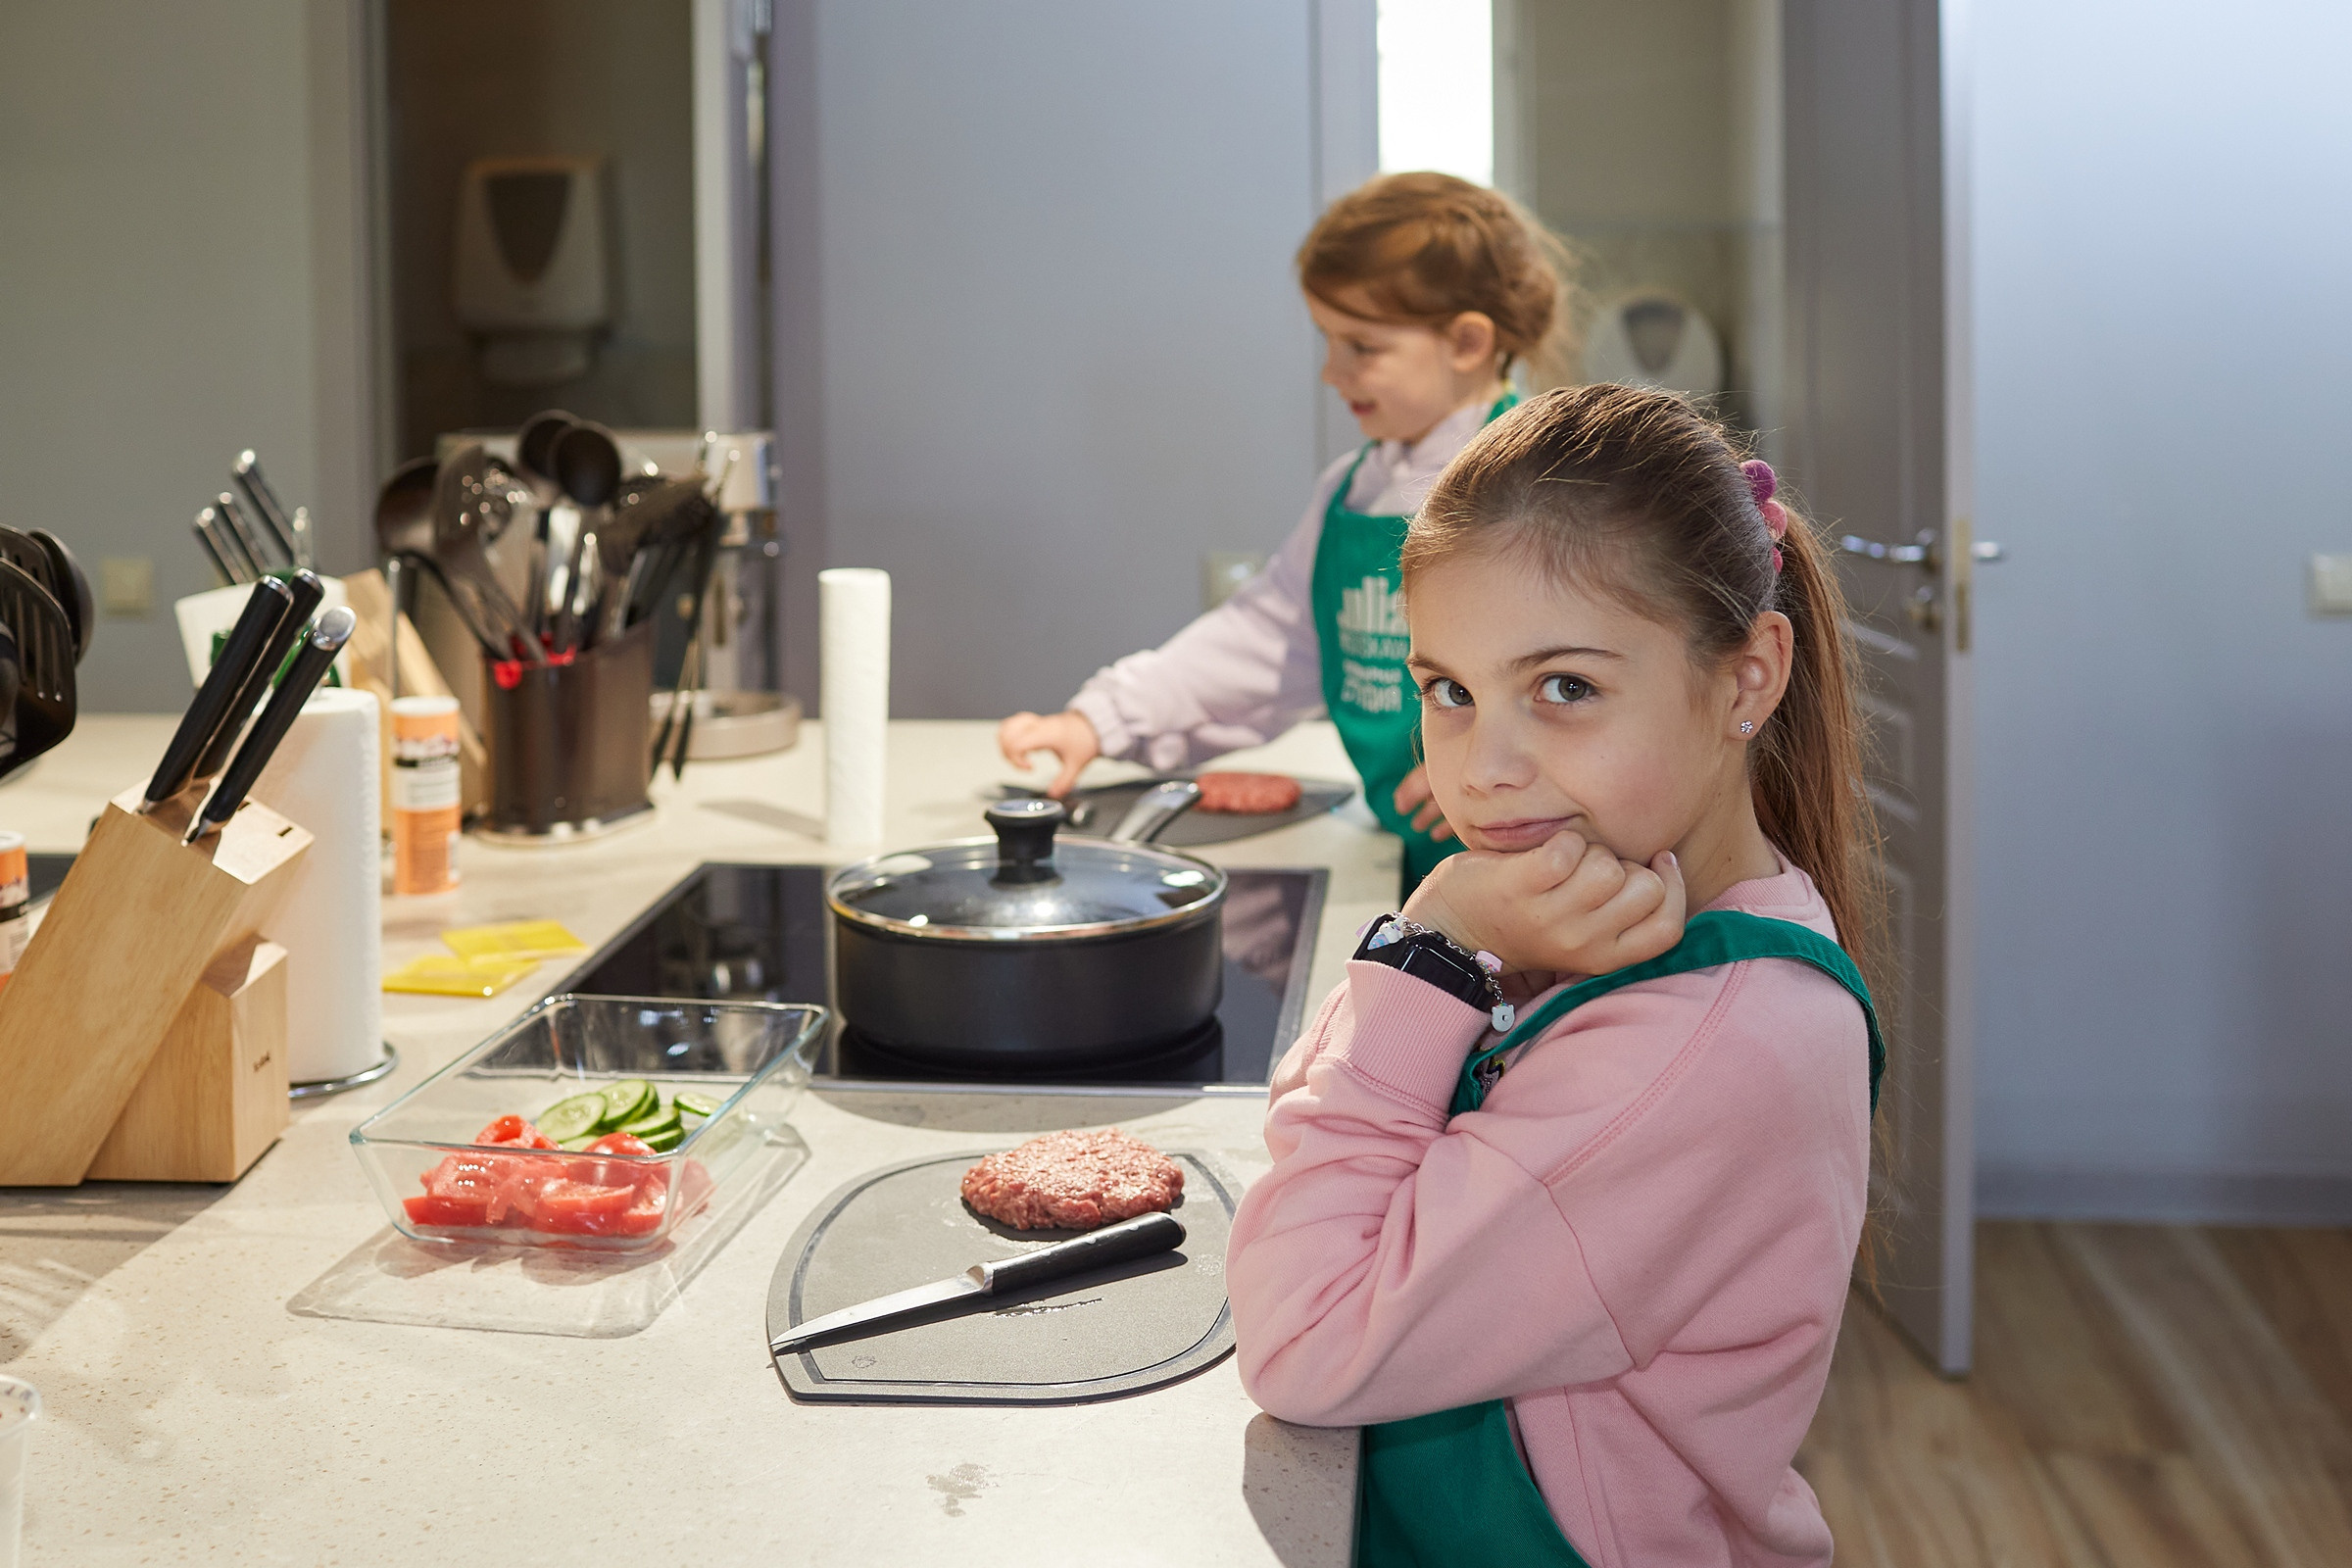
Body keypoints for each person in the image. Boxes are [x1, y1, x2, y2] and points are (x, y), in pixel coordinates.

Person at [1223, 385, 1886, 1567]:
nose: (1483, 770)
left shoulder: (1710, 1042)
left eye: (1565, 688)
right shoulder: (1615, 901)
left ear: (1746, 678)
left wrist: (1429, 945)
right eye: (1451, 692)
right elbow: (1335, 1148)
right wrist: (1458, 945)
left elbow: (1302, 1335)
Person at [996, 172, 1579, 892]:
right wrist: (1103, 721)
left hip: (1553, 875)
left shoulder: (1544, 479)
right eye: (1328, 342)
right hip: (1425, 868)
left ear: (1465, 342)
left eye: (1361, 346)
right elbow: (1265, 641)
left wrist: (1507, 762)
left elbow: (1601, 681)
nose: (1333, 373)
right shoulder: (1352, 492)